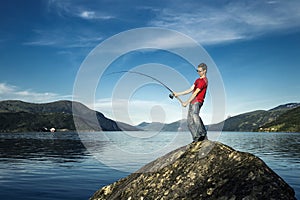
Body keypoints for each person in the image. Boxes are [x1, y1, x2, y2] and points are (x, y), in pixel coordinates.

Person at [173, 63, 208, 142]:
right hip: (192, 102)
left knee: (195, 115)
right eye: (197, 71)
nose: (198, 72)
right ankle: (196, 138)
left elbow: (195, 93)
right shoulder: (197, 80)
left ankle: (202, 133)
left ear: (204, 71)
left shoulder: (203, 81)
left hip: (197, 102)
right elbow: (190, 90)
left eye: (200, 71)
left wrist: (186, 102)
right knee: (189, 122)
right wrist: (178, 93)